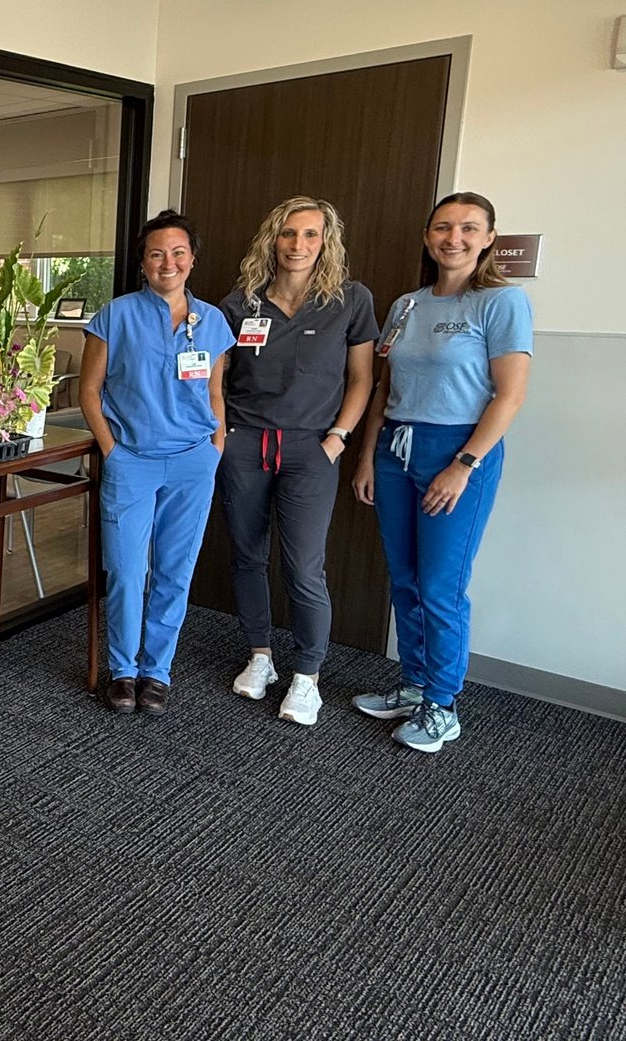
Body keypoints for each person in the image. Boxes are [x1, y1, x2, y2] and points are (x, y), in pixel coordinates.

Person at [351, 191, 531, 752]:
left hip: (459, 452)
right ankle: (414, 684)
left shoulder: (501, 303)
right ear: (428, 236)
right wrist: (367, 455)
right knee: (403, 578)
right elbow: (384, 388)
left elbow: (510, 396)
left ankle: (442, 704)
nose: (454, 238)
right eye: (443, 227)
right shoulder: (406, 304)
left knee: (441, 588)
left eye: (469, 228)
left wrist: (463, 466)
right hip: (397, 448)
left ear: (488, 239)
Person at [217, 197, 377, 726]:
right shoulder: (240, 304)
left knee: (305, 567)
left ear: (326, 243)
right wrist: (222, 434)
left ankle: (306, 676)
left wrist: (337, 439)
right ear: (273, 240)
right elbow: (218, 377)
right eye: (289, 234)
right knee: (246, 556)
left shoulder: (350, 301)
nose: (299, 245)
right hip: (245, 444)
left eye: (311, 235)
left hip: (312, 449)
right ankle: (260, 656)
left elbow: (362, 380)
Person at [80, 210, 234, 715]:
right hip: (133, 461)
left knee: (175, 570)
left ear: (192, 259)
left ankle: (157, 671)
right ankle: (122, 670)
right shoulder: (115, 315)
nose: (167, 262)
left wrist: (217, 441)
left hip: (193, 462)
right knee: (126, 571)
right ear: (143, 262)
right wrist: (111, 450)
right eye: (156, 253)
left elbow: (215, 389)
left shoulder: (212, 321)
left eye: (178, 252)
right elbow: (89, 389)